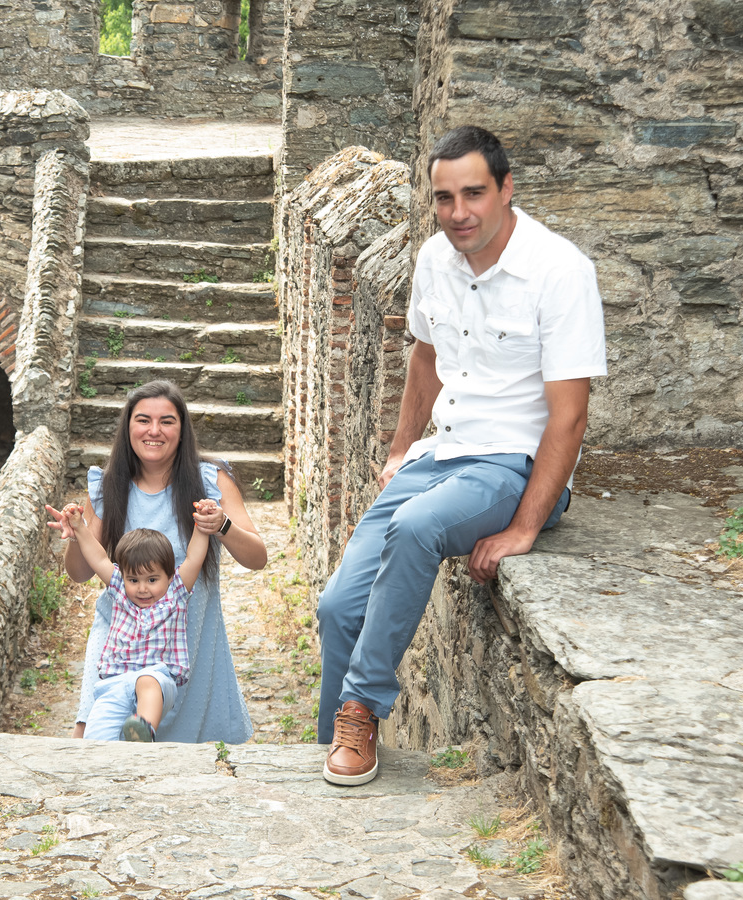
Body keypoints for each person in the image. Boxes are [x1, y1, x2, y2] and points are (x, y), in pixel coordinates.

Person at [316, 126, 606, 785]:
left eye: (474, 193)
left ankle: (360, 713)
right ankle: (324, 738)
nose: (459, 212)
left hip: (513, 466)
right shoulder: (433, 261)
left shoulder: (560, 272)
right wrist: (398, 450)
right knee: (337, 606)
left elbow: (570, 415)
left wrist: (526, 525)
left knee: (417, 528)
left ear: (506, 189)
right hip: (439, 455)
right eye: (444, 198)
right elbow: (426, 357)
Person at [50, 380, 267, 743]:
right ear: (127, 427)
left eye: (167, 421)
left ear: (182, 431)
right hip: (119, 631)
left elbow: (256, 558)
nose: (154, 431)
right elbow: (79, 572)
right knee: (89, 735)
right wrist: (77, 534)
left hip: (186, 633)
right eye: (143, 420)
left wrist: (222, 525)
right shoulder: (108, 486)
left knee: (186, 750)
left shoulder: (210, 481)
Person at [47, 503, 216, 741]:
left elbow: (194, 558)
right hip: (114, 683)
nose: (143, 588)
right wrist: (79, 527)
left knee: (147, 681)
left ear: (169, 577)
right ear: (123, 577)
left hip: (157, 680)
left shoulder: (175, 594)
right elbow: (98, 558)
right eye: (134, 579)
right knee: (95, 739)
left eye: (152, 579)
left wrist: (202, 525)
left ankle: (143, 731)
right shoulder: (120, 592)